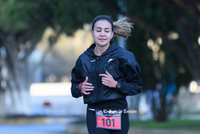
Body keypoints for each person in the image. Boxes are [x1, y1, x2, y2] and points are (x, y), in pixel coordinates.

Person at [71, 15, 143, 134]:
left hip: (119, 112)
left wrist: (116, 84)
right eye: (98, 30)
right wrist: (80, 88)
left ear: (112, 34)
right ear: (92, 33)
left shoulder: (124, 56)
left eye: (106, 30)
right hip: (94, 112)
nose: (102, 34)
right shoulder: (83, 59)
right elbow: (74, 89)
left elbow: (137, 87)